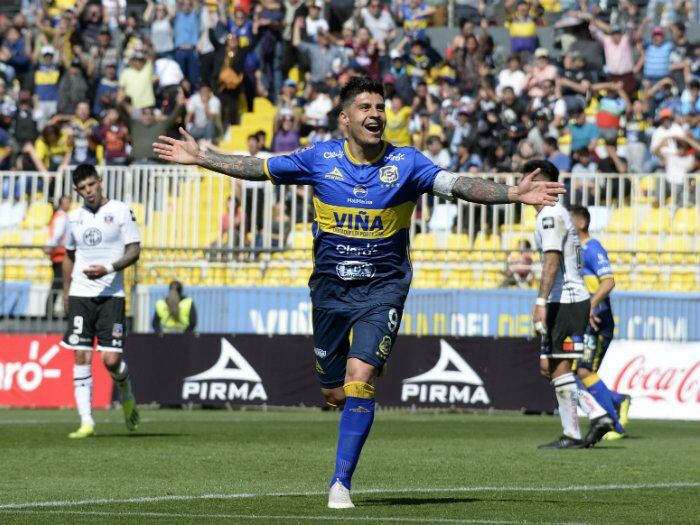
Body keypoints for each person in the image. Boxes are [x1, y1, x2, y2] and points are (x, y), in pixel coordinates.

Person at [153, 76, 565, 508]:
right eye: (365, 107)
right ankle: (347, 408)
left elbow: (459, 184)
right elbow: (260, 167)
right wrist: (203, 158)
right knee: (334, 392)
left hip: (382, 290)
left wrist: (511, 193)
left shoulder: (407, 163)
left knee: (360, 379)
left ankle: (340, 483)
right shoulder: (320, 158)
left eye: (380, 107)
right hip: (329, 292)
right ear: (344, 119)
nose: (375, 114)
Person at [527, 159, 614, 449]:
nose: (526, 187)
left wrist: (541, 301)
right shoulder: (554, 214)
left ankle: (582, 426)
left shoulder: (550, 215)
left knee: (560, 367)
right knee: (550, 368)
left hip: (565, 300)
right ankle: (594, 417)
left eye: (533, 182)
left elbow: (552, 261)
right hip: (564, 300)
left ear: (548, 186)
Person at [59, 164, 141, 439]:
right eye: (82, 188)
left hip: (111, 295)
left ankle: (126, 391)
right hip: (81, 294)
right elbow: (69, 255)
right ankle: (87, 422)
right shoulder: (74, 218)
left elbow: (134, 251)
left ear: (101, 181)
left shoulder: (121, 211)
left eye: (91, 185)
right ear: (77, 190)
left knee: (111, 360)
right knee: (81, 355)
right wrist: (66, 291)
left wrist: (107, 269)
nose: (88, 191)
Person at [569, 205, 631, 441]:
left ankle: (614, 424)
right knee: (573, 372)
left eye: (569, 221)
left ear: (581, 223)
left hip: (598, 321)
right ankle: (617, 400)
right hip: (582, 320)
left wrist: (591, 304)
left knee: (584, 370)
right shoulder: (576, 250)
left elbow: (608, 281)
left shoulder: (592, 248)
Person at [45, 195, 72, 318]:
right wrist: (50, 247)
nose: (69, 204)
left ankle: (51, 310)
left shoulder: (61, 216)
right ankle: (50, 311)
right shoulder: (61, 217)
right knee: (59, 283)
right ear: (61, 204)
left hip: (59, 255)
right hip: (61, 255)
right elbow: (57, 235)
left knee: (59, 283)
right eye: (67, 202)